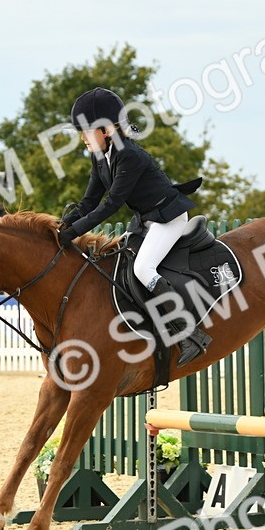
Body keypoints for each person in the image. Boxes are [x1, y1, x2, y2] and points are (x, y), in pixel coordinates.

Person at [56, 87, 210, 365]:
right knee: (121, 263)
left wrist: (75, 233)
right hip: (145, 220)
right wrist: (62, 225)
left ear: (105, 130)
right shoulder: (100, 156)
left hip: (168, 218)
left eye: (86, 131)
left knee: (143, 269)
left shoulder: (129, 155)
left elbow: (112, 204)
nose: (81, 138)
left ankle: (190, 334)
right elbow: (89, 201)